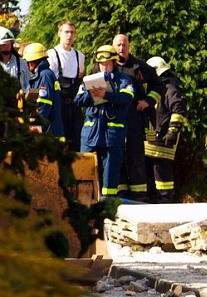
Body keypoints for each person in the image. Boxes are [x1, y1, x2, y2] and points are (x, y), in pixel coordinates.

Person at [75, 45, 134, 198]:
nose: (104, 66)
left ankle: (108, 205)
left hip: (112, 135)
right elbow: (78, 100)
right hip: (90, 133)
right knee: (84, 168)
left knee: (110, 174)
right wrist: (91, 93)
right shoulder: (89, 79)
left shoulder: (124, 80)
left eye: (107, 63)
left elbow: (127, 98)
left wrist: (106, 95)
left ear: (114, 63)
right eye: (101, 64)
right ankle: (85, 201)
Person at [113, 33, 163, 200]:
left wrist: (148, 101)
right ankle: (120, 195)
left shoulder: (140, 67)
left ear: (129, 46)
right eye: (118, 45)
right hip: (113, 119)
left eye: (124, 44)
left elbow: (159, 85)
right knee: (116, 157)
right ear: (114, 47)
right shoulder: (107, 66)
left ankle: (139, 197)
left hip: (134, 119)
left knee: (135, 158)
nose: (122, 48)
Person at [143, 56, 187, 203]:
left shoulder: (169, 88)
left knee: (162, 173)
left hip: (164, 140)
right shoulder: (158, 88)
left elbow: (178, 110)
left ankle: (165, 201)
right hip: (154, 140)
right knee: (154, 172)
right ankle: (158, 201)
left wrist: (172, 131)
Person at [47, 20, 86, 152]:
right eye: (66, 32)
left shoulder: (80, 56)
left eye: (72, 32)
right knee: (59, 141)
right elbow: (50, 82)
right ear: (59, 33)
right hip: (59, 105)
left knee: (76, 140)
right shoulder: (52, 54)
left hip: (75, 106)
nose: (69, 35)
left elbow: (80, 79)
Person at [22, 42, 64, 140]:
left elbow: (44, 104)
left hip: (49, 133)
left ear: (31, 62)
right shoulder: (43, 75)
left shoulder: (45, 75)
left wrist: (34, 124)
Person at [0, 26, 31, 92]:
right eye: (3, 44)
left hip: (18, 101)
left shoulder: (22, 63)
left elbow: (29, 85)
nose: (7, 46)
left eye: (9, 43)